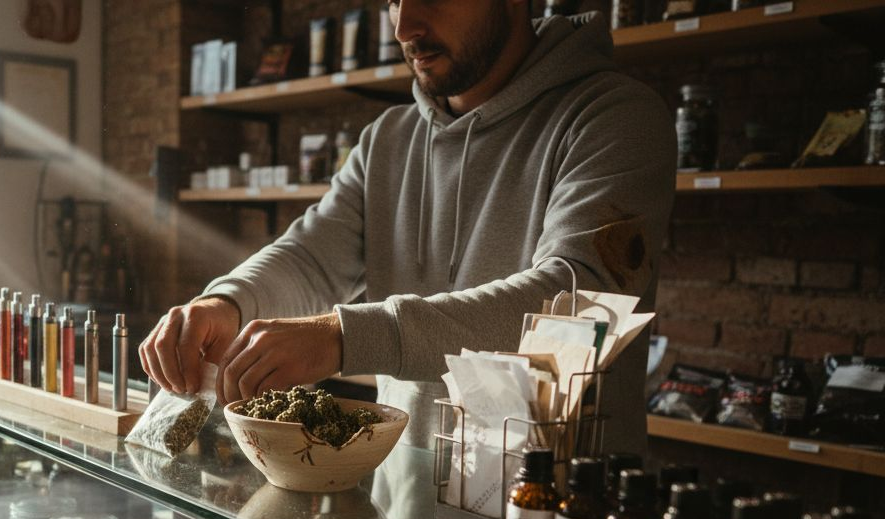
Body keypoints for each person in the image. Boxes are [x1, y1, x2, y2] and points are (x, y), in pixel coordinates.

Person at [139, 1, 676, 458]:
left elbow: (577, 303)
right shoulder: (387, 140)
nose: (404, 26)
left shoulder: (615, 117)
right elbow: (309, 256)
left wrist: (344, 337)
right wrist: (229, 304)